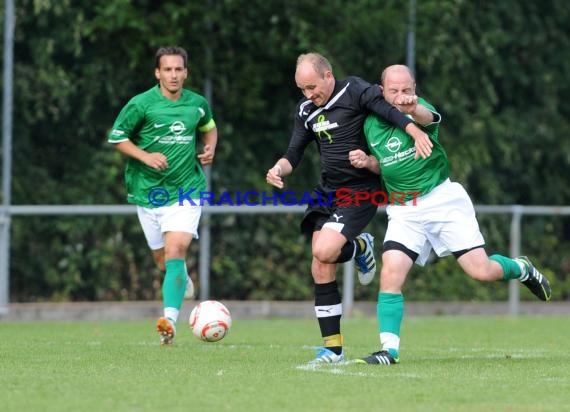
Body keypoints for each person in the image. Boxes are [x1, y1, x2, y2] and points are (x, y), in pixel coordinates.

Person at [349, 64, 552, 365]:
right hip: (405, 210)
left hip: (442, 201)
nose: (401, 96)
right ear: (381, 91)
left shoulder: (419, 110)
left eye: (407, 89)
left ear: (414, 88)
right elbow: (388, 163)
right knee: (390, 273)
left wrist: (414, 107)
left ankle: (520, 268)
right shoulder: (370, 124)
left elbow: (427, 117)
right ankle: (388, 351)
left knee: (481, 272)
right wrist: (369, 162)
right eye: (394, 91)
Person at [266, 53, 433, 364]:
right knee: (320, 264)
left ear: (329, 75)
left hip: (360, 191)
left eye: (312, 86)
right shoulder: (305, 110)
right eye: (302, 89)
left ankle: (358, 246)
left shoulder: (355, 90)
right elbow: (294, 153)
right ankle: (332, 349)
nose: (308, 94)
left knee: (325, 251)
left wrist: (415, 131)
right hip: (327, 192)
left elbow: (389, 110)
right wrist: (278, 168)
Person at [108, 46, 218, 345]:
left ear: (186, 72)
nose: (173, 75)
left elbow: (209, 128)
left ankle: (169, 320)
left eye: (178, 69)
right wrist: (145, 156)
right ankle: (181, 279)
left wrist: (210, 147)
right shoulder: (141, 104)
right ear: (158, 73)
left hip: (187, 191)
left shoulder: (197, 104)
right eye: (167, 69)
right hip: (148, 194)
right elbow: (117, 137)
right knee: (163, 259)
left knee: (176, 249)